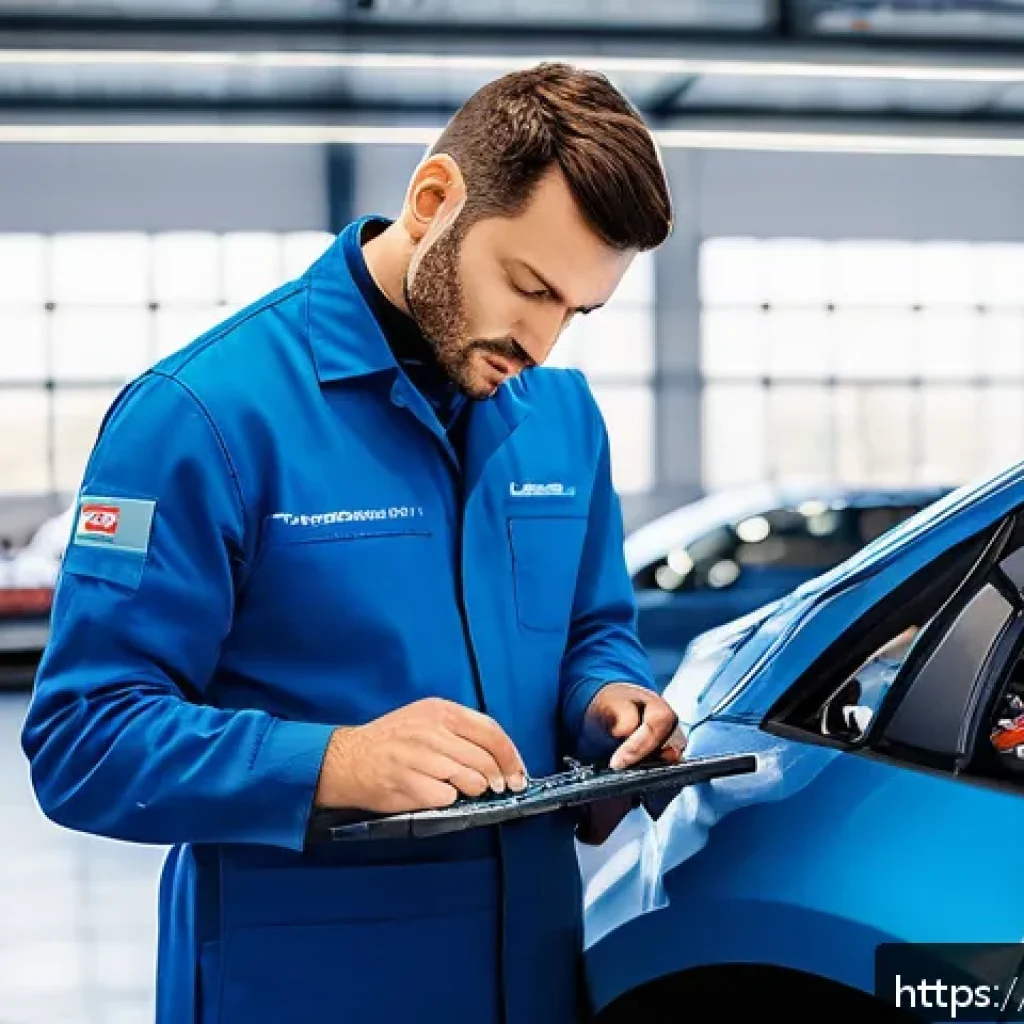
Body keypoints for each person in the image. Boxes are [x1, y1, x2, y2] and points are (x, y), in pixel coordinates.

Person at [21, 62, 683, 1024]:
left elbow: (595, 629)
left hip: (533, 971)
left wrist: (608, 702)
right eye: (527, 286)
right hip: (305, 986)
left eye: (576, 311)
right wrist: (331, 764)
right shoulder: (201, 418)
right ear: (433, 200)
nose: (542, 343)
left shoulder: (562, 419)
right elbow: (82, 740)